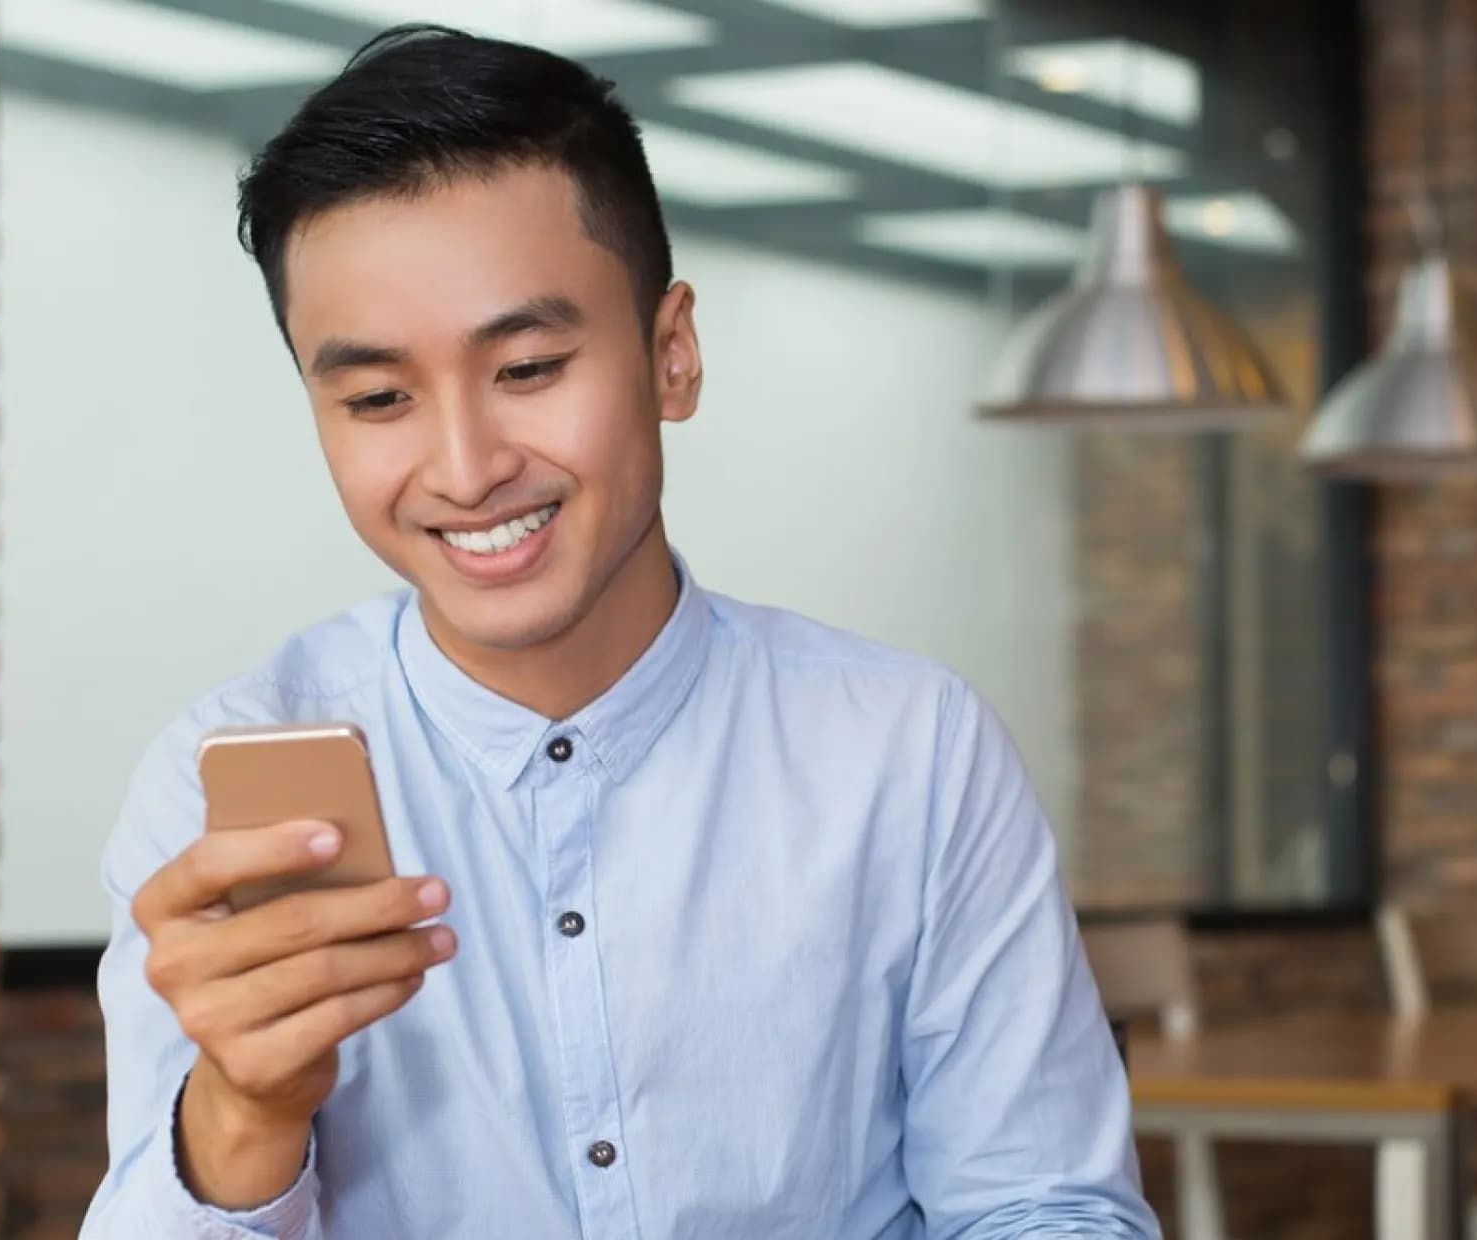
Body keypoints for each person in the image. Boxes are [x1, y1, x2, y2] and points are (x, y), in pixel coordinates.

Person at [80, 24, 1156, 1239]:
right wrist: (243, 1112)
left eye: (529, 366)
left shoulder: (909, 752)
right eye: (378, 398)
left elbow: (1045, 1206)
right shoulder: (215, 786)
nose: (466, 466)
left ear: (670, 353)